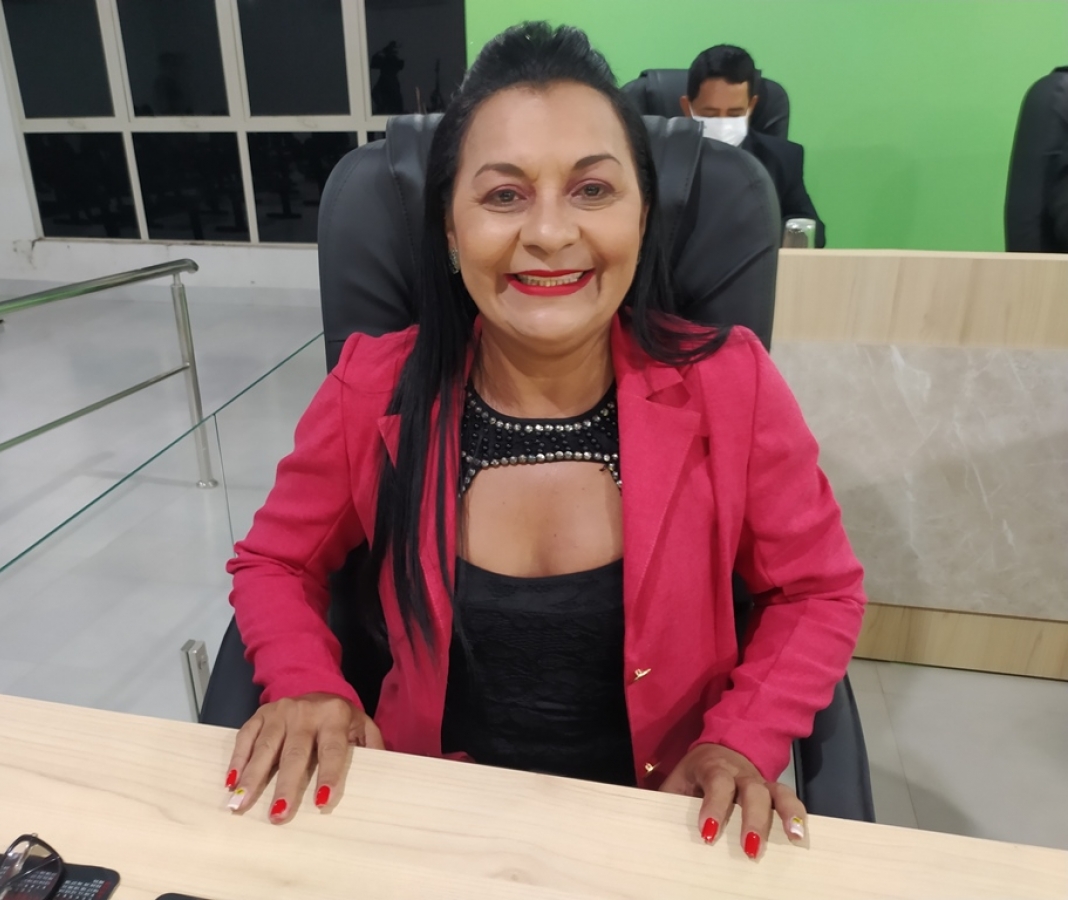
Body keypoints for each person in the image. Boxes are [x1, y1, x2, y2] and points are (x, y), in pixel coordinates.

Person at [226, 22, 865, 861]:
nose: (552, 233)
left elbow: (817, 592)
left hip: (658, 828)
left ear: (644, 213)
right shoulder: (371, 386)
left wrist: (744, 738)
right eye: (504, 196)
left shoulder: (730, 382)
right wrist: (307, 683)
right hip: (426, 827)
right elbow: (274, 563)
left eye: (593, 190)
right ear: (450, 228)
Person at [679, 45, 827, 247]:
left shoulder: (782, 158)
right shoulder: (661, 158)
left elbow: (812, 232)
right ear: (687, 108)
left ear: (751, 106)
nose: (723, 123)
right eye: (710, 114)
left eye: (734, 114)